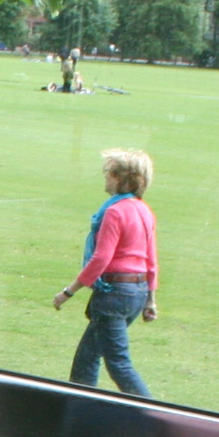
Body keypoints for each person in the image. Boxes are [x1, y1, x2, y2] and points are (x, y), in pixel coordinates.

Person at [54, 147, 159, 398]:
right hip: (136, 293)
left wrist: (69, 292)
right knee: (86, 359)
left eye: (109, 172)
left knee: (118, 364)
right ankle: (80, 411)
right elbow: (151, 260)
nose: (105, 177)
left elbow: (101, 258)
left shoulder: (114, 211)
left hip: (114, 297)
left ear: (119, 178)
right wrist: (150, 300)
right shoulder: (144, 210)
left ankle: (154, 419)